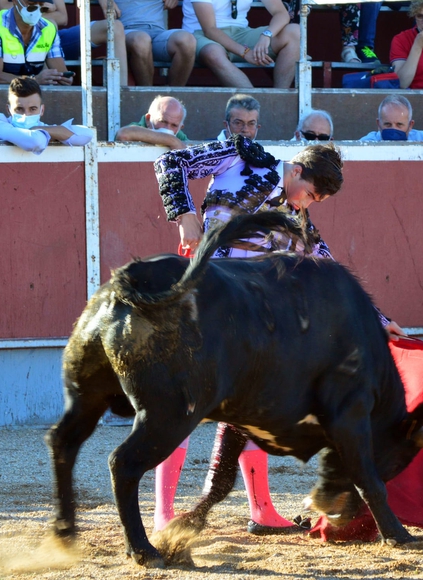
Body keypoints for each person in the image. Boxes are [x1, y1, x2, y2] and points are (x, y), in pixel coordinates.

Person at [152, 134, 405, 535]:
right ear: (297, 171)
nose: (308, 204)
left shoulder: (298, 221)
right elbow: (171, 162)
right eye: (311, 194)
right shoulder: (240, 156)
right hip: (200, 300)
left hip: (248, 322)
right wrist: (183, 216)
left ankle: (262, 510)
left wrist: (378, 318)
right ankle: (163, 513)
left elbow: (331, 270)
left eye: (316, 202)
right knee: (182, 402)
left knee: (250, 410)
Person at [0, 0, 129, 85]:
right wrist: (42, 9)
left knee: (114, 27)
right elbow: (3, 8)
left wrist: (37, 10)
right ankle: (46, 90)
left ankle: (121, 94)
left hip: (57, 40)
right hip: (15, 38)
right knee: (49, 23)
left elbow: (63, 17)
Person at [183, 0, 300, 88]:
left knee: (295, 31)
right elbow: (209, 29)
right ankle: (254, 105)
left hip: (241, 33)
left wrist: (267, 35)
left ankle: (280, 97)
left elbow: (281, 13)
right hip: (201, 35)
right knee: (213, 53)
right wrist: (245, 52)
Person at [0, 0, 73, 85]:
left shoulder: (49, 29)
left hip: (30, 99)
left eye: (42, 6)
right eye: (31, 4)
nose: (37, 10)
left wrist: (63, 78)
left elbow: (62, 72)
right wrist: (33, 80)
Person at [0, 77, 94, 153]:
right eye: (19, 109)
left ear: (42, 110)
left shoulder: (43, 127)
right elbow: (35, 142)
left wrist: (40, 128)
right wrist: (53, 135)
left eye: (33, 109)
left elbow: (87, 134)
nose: (26, 114)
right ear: (8, 110)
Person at [113, 0, 196, 86]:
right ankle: (148, 94)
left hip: (158, 33)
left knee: (187, 40)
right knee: (141, 40)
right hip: (127, 32)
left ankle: (174, 96)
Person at [115, 95, 189, 148]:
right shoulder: (139, 127)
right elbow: (123, 134)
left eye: (174, 125)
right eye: (162, 121)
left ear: (180, 127)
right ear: (148, 119)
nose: (168, 128)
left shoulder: (179, 135)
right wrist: (172, 141)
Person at [359, 95, 423, 142]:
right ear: (378, 124)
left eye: (399, 124)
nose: (393, 129)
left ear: (410, 125)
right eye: (388, 124)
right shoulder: (366, 144)